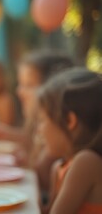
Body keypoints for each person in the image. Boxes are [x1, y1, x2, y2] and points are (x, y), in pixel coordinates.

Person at [0, 52, 75, 194]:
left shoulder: (56, 139)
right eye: (20, 84)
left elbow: (39, 172)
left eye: (28, 85)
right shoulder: (40, 130)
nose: (19, 91)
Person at [37, 68, 102, 214]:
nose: (39, 129)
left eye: (42, 120)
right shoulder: (60, 167)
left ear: (69, 121)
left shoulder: (86, 162)